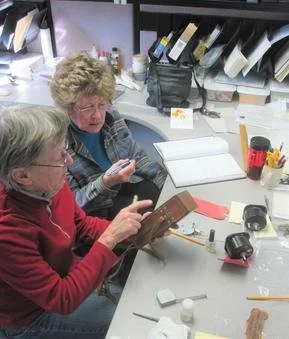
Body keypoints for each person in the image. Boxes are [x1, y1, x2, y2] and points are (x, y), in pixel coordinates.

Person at [0, 105, 152, 339]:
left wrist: (133, 227)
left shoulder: (50, 184)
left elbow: (79, 225)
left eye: (66, 150)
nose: (69, 161)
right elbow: (62, 299)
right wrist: (111, 237)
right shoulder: (7, 232)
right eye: (58, 158)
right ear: (22, 176)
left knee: (131, 298)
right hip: (30, 316)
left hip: (62, 277)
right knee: (129, 320)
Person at [50, 51, 167, 220]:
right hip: (94, 211)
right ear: (67, 107)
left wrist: (169, 187)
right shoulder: (56, 142)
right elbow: (73, 205)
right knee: (142, 220)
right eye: (88, 107)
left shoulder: (110, 114)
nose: (97, 115)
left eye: (101, 104)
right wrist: (106, 182)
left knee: (157, 197)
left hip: (120, 187)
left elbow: (137, 157)